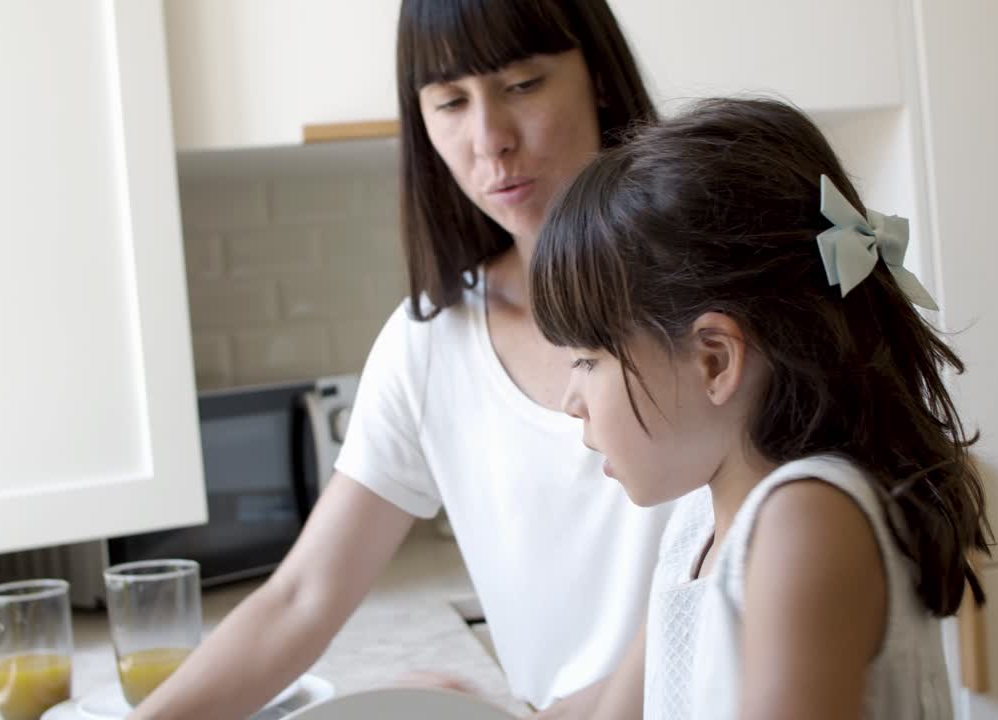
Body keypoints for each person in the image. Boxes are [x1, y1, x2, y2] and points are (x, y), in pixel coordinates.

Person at [130, 2, 670, 718]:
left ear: (597, 77)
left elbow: (727, 593)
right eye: (450, 101)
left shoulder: (710, 306)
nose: (490, 140)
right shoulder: (432, 341)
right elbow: (300, 598)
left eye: (523, 85)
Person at [529, 97, 993, 719]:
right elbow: (623, 705)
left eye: (588, 360)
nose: (570, 401)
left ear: (714, 361)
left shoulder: (806, 522)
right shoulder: (700, 528)